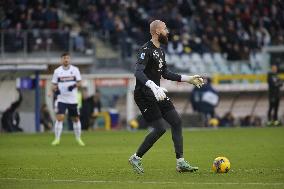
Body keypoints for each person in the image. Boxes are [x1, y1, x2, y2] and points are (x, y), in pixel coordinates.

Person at [128, 20, 204, 174]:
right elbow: (138, 72)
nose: (167, 31)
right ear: (157, 31)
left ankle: (180, 162)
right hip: (144, 95)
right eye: (165, 29)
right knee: (160, 128)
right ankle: (136, 157)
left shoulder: (161, 51)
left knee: (176, 121)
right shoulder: (145, 50)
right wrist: (152, 85)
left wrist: (187, 78)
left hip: (158, 92)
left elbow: (165, 73)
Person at [49, 52, 85, 146]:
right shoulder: (57, 71)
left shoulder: (75, 70)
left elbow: (80, 82)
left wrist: (73, 86)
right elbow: (53, 84)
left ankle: (78, 138)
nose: (66, 60)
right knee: (60, 118)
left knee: (76, 119)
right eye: (64, 58)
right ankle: (57, 139)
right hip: (61, 99)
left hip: (73, 99)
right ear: (61, 60)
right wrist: (53, 90)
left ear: (69, 59)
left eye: (67, 58)